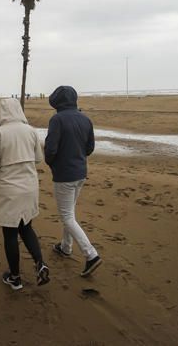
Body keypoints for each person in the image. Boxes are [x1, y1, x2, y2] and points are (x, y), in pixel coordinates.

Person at [0, 98, 50, 291]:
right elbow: (39, 158)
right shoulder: (30, 131)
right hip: (29, 186)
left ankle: (15, 277)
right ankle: (40, 263)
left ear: (1, 112)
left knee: (10, 232)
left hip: (8, 189)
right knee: (27, 227)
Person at [44, 85, 102, 277]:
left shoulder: (57, 119)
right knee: (70, 212)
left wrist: (53, 163)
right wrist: (77, 157)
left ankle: (91, 254)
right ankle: (66, 247)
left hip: (64, 175)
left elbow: (50, 149)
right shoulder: (85, 119)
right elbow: (90, 147)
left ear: (57, 102)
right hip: (80, 172)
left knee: (67, 216)